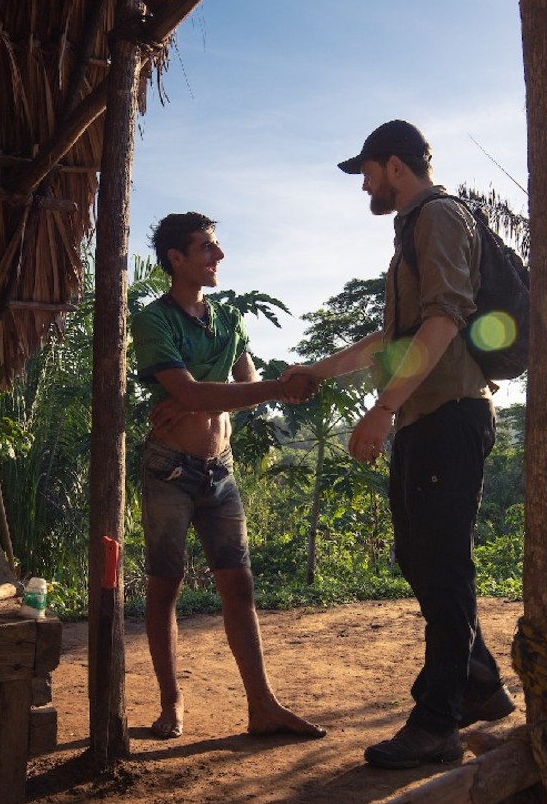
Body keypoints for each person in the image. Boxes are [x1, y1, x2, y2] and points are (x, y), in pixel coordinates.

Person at [282, 120, 515, 769]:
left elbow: (443, 321)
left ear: (393, 166)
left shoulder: (438, 218)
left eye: (367, 174)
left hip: (448, 416)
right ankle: (481, 687)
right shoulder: (411, 230)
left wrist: (382, 408)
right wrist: (317, 372)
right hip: (424, 419)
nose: (365, 187)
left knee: (443, 566)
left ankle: (437, 721)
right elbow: (393, 341)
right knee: (422, 558)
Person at [132, 211, 325, 742]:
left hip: (221, 472)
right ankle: (171, 705)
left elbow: (243, 389)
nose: (218, 258)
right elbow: (198, 392)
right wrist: (197, 401)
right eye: (206, 248)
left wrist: (204, 403)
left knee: (239, 587)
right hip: (168, 472)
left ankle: (263, 706)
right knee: (164, 589)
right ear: (176, 259)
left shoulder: (230, 320)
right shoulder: (154, 320)